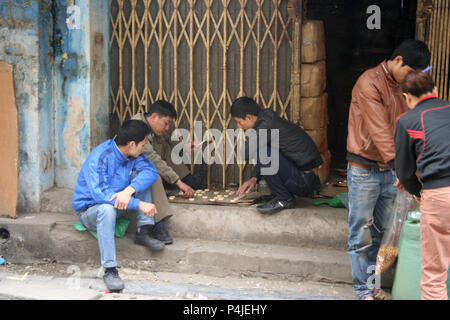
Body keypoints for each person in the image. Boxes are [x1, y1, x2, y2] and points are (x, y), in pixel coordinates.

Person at [345, 39, 430, 300]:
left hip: (391, 169)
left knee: (383, 233)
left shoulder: (403, 86)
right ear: (398, 61)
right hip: (365, 169)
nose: (412, 79)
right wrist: (401, 169)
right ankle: (363, 291)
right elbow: (380, 130)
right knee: (361, 233)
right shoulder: (368, 82)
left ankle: (373, 286)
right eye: (410, 72)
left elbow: (412, 124)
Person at [72, 120, 164, 292]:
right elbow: (101, 195)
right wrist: (139, 204)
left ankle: (143, 231)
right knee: (106, 209)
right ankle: (110, 270)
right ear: (131, 144)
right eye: (142, 145)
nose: (143, 148)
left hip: (119, 205)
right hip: (91, 211)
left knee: (141, 178)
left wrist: (129, 190)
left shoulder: (133, 155)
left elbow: (151, 171)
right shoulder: (100, 157)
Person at [395, 69, 450, 300]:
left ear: (406, 97)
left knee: (434, 275)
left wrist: (418, 193)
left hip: (439, 195)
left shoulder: (406, 121)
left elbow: (405, 173)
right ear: (435, 90)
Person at [132, 100, 207, 245]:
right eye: (166, 123)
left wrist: (183, 147)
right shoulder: (138, 128)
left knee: (165, 147)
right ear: (154, 116)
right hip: (131, 171)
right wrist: (179, 183)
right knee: (153, 175)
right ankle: (159, 225)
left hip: (147, 165)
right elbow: (152, 159)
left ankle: (190, 181)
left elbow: (166, 141)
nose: (167, 128)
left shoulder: (153, 128)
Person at [231, 97, 322, 214]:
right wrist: (254, 178)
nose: (239, 126)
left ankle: (285, 199)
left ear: (249, 117)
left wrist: (250, 135)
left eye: (239, 122)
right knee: (264, 150)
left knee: (262, 152)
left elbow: (244, 153)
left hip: (305, 181)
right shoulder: (267, 121)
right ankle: (281, 195)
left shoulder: (266, 126)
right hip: (306, 178)